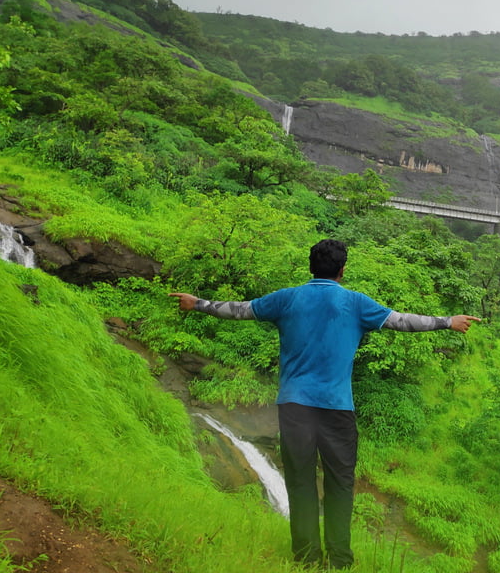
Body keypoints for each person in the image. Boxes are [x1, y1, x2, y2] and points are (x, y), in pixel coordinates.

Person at [170, 239, 480, 570]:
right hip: (337, 409)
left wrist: (198, 302)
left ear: (310, 266)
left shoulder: (287, 298)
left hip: (294, 407)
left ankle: (306, 560)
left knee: (301, 482)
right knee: (340, 484)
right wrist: (448, 321)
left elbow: (240, 309)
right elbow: (402, 321)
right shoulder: (356, 303)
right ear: (343, 270)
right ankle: (340, 561)